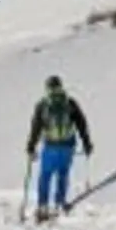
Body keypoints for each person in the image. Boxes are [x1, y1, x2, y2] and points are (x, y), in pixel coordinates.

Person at [27, 75, 93, 221]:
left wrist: (31, 147)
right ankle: (60, 202)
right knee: (63, 173)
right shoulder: (70, 103)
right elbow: (81, 124)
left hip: (51, 145)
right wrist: (87, 143)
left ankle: (43, 205)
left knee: (45, 175)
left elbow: (36, 128)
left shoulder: (43, 105)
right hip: (68, 146)